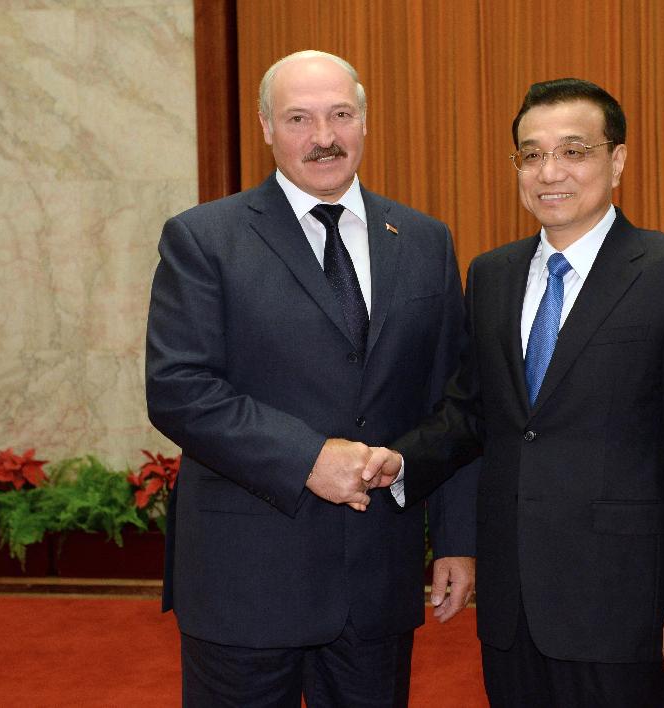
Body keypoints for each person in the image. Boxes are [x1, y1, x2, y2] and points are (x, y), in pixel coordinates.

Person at [365, 78, 664, 707]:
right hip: (512, 604)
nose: (549, 171)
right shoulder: (492, 274)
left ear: (616, 160)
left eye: (573, 150)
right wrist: (397, 463)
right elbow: (471, 413)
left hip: (620, 601)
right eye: (531, 154)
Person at [145, 50, 478, 707]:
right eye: (299, 118)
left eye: (340, 116)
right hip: (247, 580)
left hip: (376, 581)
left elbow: (455, 401)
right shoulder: (204, 238)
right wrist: (307, 460)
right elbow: (179, 387)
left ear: (364, 123)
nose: (323, 137)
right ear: (266, 127)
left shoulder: (423, 240)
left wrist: (458, 542)